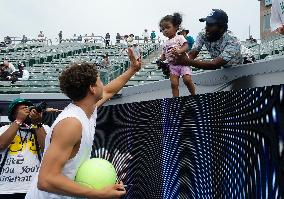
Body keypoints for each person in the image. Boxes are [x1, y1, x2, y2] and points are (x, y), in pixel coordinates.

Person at [25, 48, 142, 199]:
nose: (103, 83)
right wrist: (98, 194)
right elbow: (46, 180)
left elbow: (108, 91)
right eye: (100, 80)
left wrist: (133, 69)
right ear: (92, 89)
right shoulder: (71, 124)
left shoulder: (87, 109)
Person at [0, 99, 50, 199]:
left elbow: (48, 150)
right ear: (14, 115)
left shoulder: (43, 128)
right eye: (23, 109)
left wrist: (37, 124)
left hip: (35, 188)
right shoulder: (4, 129)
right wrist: (18, 120)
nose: (27, 110)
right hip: (7, 189)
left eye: (29, 108)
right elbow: (1, 145)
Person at [176, 9, 254, 70]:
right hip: (226, 65)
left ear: (221, 27)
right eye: (206, 23)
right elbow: (192, 54)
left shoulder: (233, 40)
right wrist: (177, 64)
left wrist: (187, 62)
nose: (206, 28)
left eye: (211, 25)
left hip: (245, 62)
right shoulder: (203, 34)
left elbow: (215, 64)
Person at [159, 13, 196, 97]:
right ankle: (176, 100)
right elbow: (164, 55)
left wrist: (179, 51)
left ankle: (193, 95)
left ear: (175, 27)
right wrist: (160, 60)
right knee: (174, 84)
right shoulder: (165, 44)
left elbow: (186, 46)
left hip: (183, 63)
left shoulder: (179, 37)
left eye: (167, 27)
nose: (165, 30)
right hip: (172, 66)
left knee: (187, 80)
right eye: (163, 29)